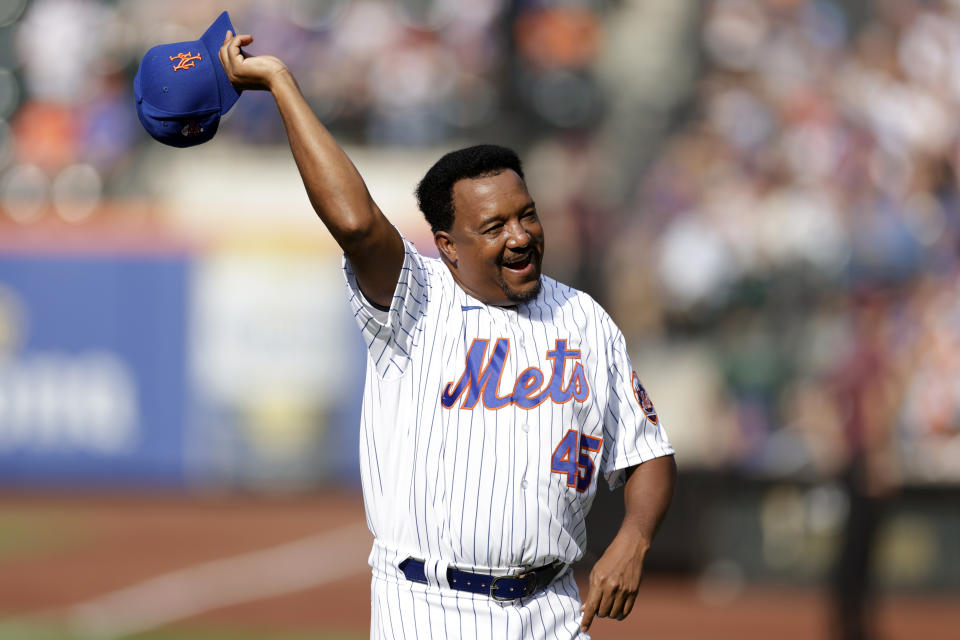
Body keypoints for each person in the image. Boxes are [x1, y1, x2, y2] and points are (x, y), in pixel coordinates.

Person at [217, 30, 676, 639]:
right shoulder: (416, 303)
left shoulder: (583, 317)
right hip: (431, 609)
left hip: (554, 610)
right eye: (493, 226)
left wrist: (635, 537)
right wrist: (281, 84)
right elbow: (355, 225)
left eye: (526, 214)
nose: (519, 235)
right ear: (448, 247)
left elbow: (648, 453)